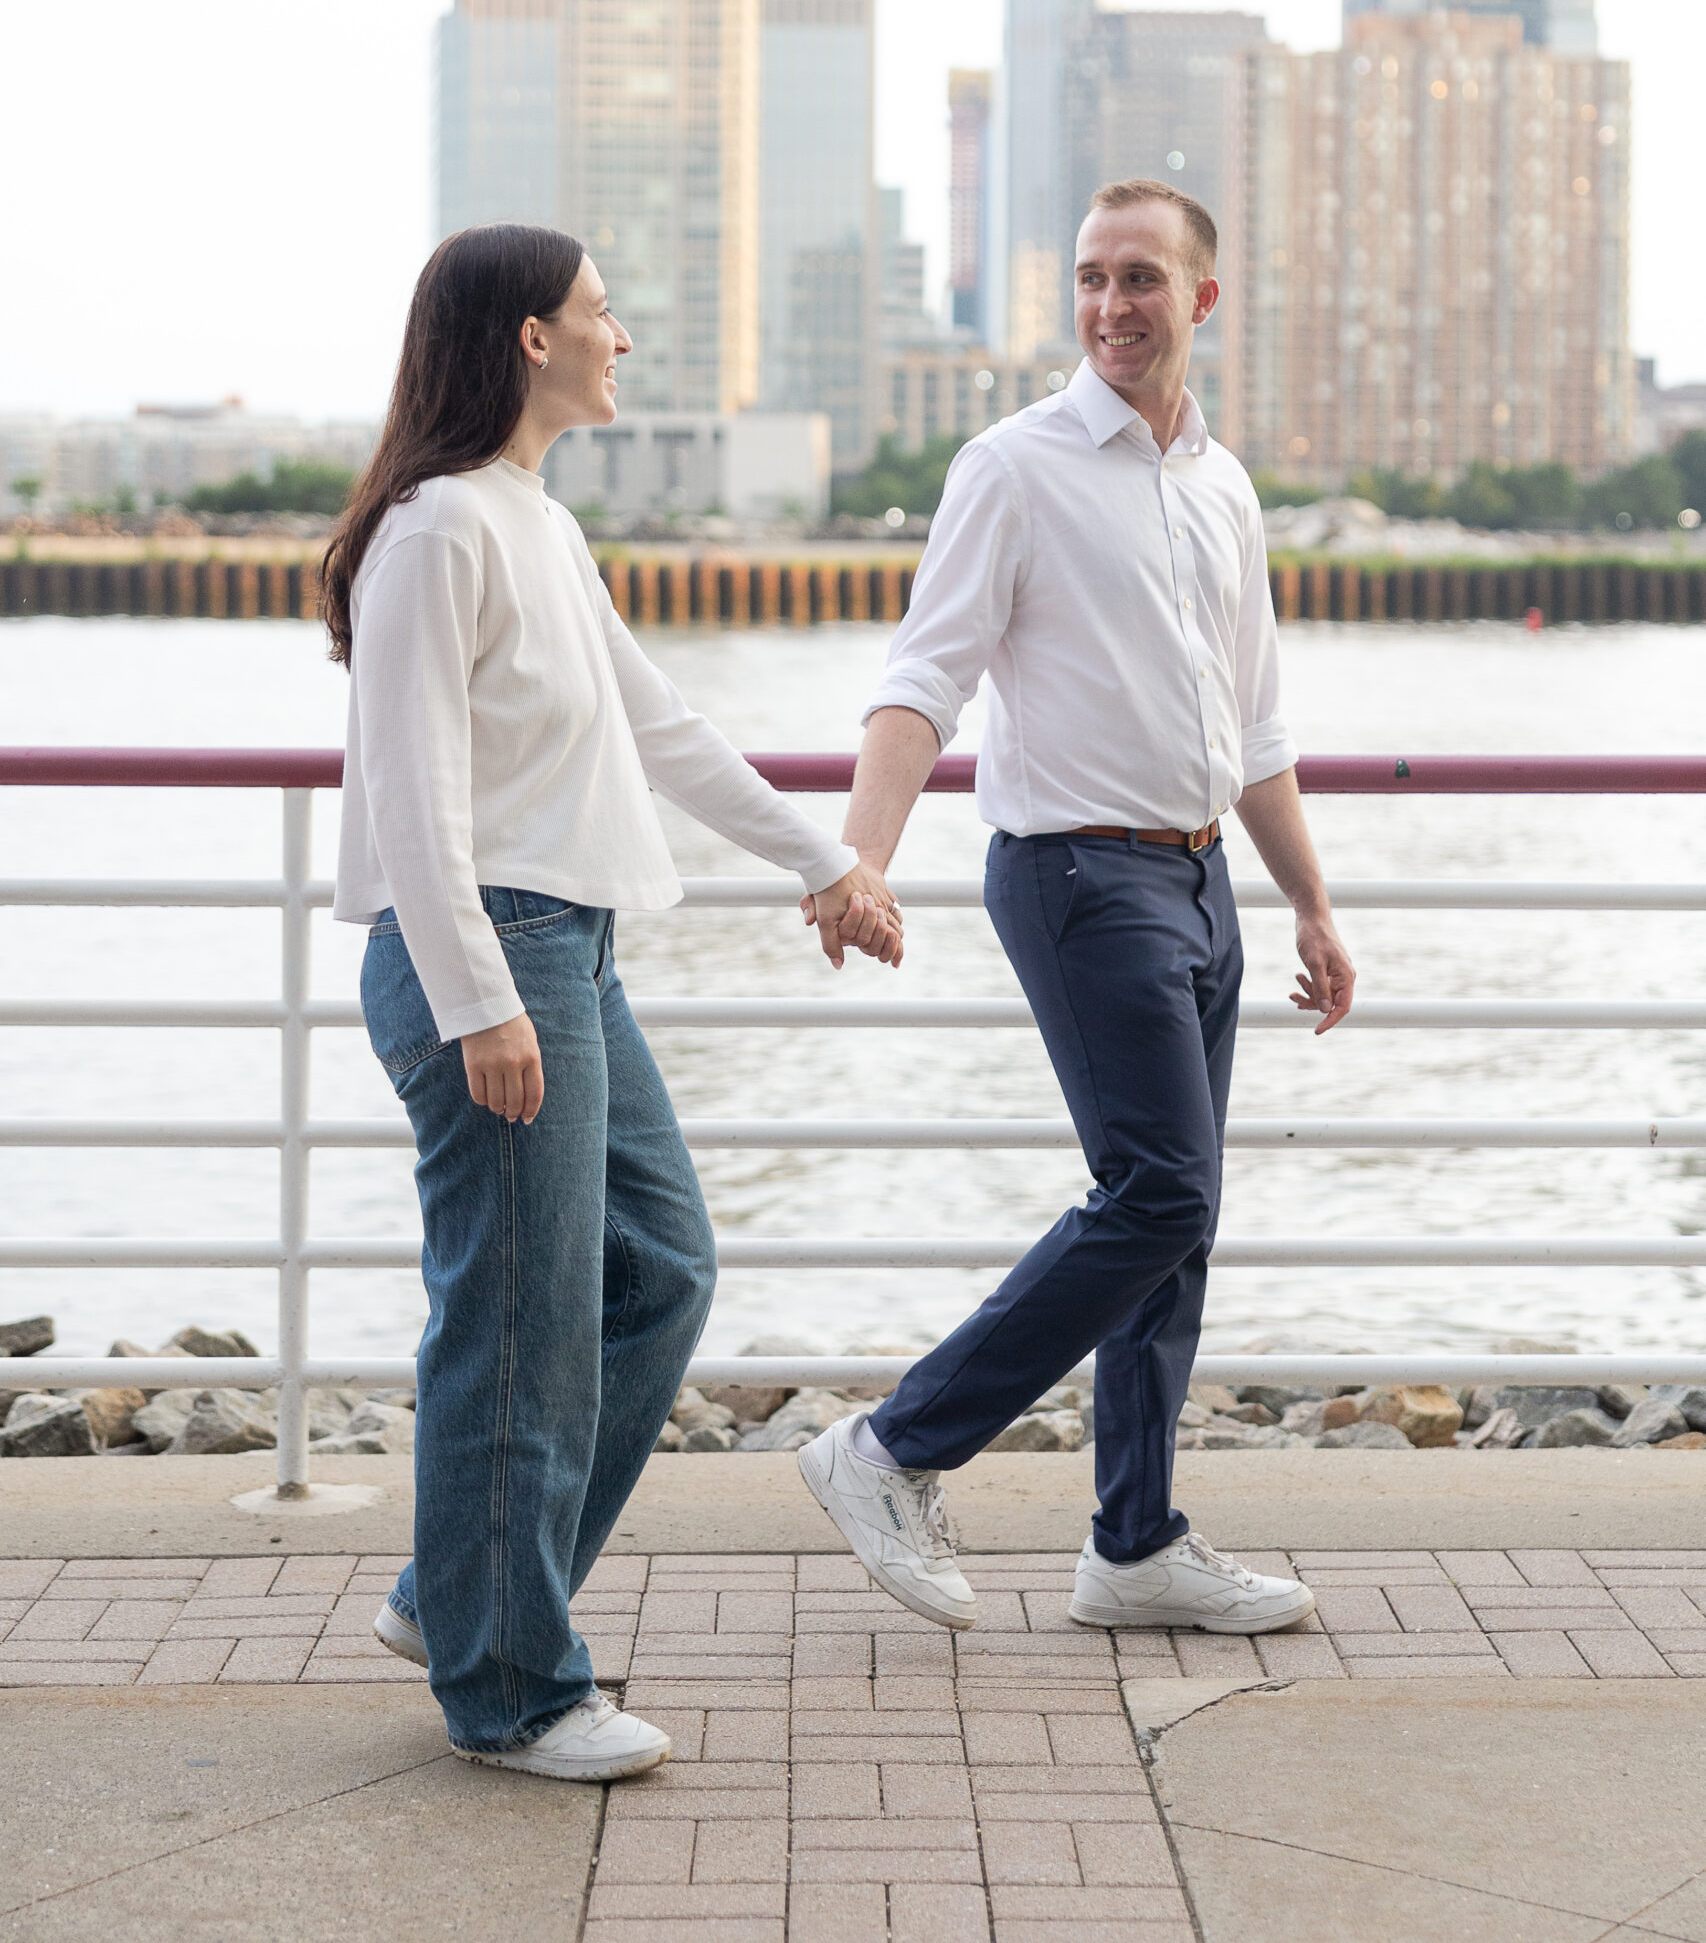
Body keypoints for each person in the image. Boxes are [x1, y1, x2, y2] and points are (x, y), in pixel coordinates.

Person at [324, 223, 901, 1782]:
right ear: (525, 337)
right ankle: (508, 1685)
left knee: (657, 1272)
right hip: (493, 959)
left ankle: (454, 1596)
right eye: (599, 311)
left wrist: (829, 865)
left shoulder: (535, 525)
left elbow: (670, 730)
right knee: (519, 1332)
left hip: (572, 950)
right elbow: (414, 798)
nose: (619, 335)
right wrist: (476, 1002)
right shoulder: (437, 533)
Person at [798, 179, 1355, 1640]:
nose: (1113, 305)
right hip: (1072, 873)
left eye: (1142, 280)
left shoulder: (1220, 485)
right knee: (1156, 1190)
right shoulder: (1013, 466)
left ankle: (1133, 1544)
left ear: (1200, 302)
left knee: (1185, 1219)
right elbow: (922, 679)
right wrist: (857, 858)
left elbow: (1255, 730)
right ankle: (890, 1447)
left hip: (1197, 875)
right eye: (1093, 279)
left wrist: (1307, 905)